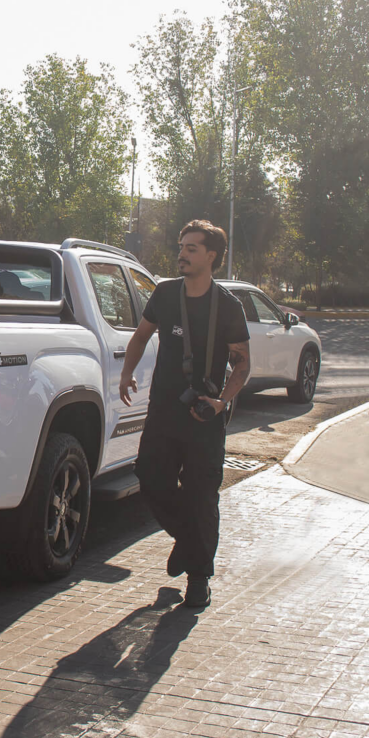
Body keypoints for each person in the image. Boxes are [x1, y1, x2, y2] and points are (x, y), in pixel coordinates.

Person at [119, 221, 251, 610]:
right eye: (181, 246)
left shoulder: (228, 305)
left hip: (204, 417)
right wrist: (127, 372)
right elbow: (141, 336)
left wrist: (221, 402)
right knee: (150, 479)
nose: (183, 253)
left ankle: (198, 580)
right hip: (163, 411)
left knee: (200, 497)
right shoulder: (164, 293)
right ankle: (190, 544)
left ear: (211, 256)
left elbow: (242, 364)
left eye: (192, 248)